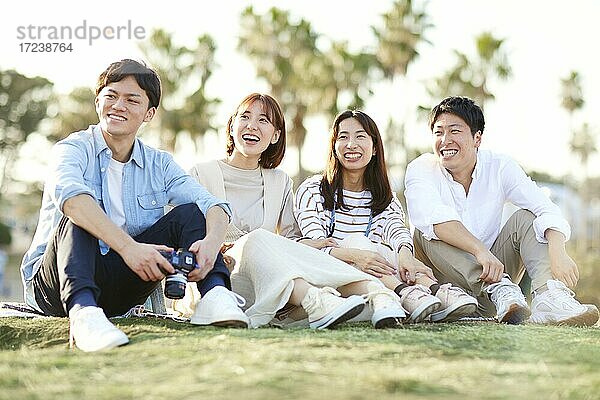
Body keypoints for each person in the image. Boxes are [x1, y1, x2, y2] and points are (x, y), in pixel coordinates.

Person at [20, 59, 248, 352]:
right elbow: (72, 200)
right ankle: (83, 316)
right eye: (111, 96)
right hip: (58, 283)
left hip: (122, 285)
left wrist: (211, 243)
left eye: (132, 99)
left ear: (149, 113)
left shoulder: (159, 163)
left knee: (191, 213)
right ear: (97, 102)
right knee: (81, 215)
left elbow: (213, 205)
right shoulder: (72, 149)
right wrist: (129, 248)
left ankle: (216, 295)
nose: (118, 105)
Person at [178, 93, 407, 329]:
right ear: (232, 126)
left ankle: (378, 295)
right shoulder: (201, 174)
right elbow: (182, 232)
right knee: (256, 238)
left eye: (263, 120)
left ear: (276, 135)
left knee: (293, 252)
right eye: (245, 117)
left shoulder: (279, 181)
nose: (252, 125)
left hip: (269, 280)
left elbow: (291, 242)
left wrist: (319, 245)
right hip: (219, 281)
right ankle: (318, 301)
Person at [404, 96, 599, 326]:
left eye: (455, 131)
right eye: (439, 132)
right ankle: (500, 288)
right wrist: (479, 250)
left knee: (526, 218)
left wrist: (558, 249)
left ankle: (548, 298)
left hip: (498, 298)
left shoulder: (499, 166)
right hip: (448, 294)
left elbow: (544, 207)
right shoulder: (421, 168)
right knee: (427, 232)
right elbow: (433, 218)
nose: (445, 140)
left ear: (477, 138)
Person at [295, 110, 478, 323]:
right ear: (334, 147)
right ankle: (405, 293)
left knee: (394, 253)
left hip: (373, 277)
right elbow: (317, 247)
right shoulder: (313, 189)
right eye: (343, 137)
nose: (351, 144)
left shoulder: (383, 196)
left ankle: (436, 292)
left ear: (374, 149)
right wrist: (356, 255)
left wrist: (405, 254)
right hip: (328, 281)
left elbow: (397, 229)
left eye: (360, 136)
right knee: (359, 242)